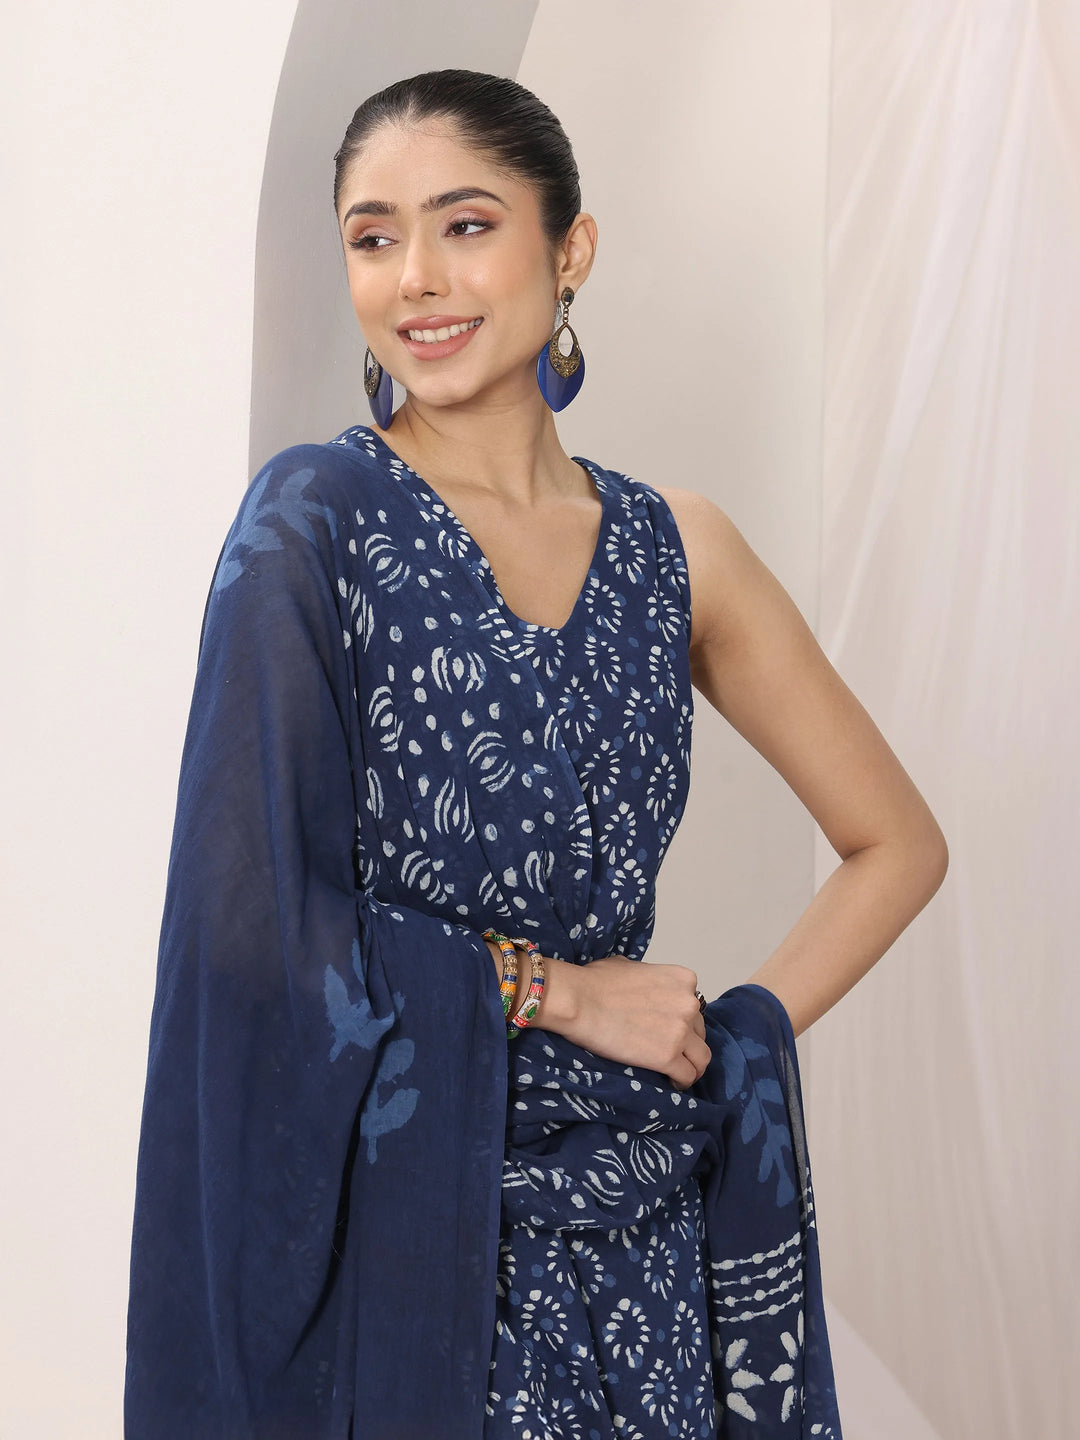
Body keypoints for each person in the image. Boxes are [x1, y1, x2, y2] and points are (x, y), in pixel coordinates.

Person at [124, 69, 947, 1439]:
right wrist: (558, 994)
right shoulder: (314, 524)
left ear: (571, 250)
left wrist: (726, 1035)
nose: (415, 278)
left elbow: (896, 843)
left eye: (466, 224)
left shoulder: (678, 550)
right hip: (405, 1252)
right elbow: (246, 926)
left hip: (645, 1256)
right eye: (374, 236)